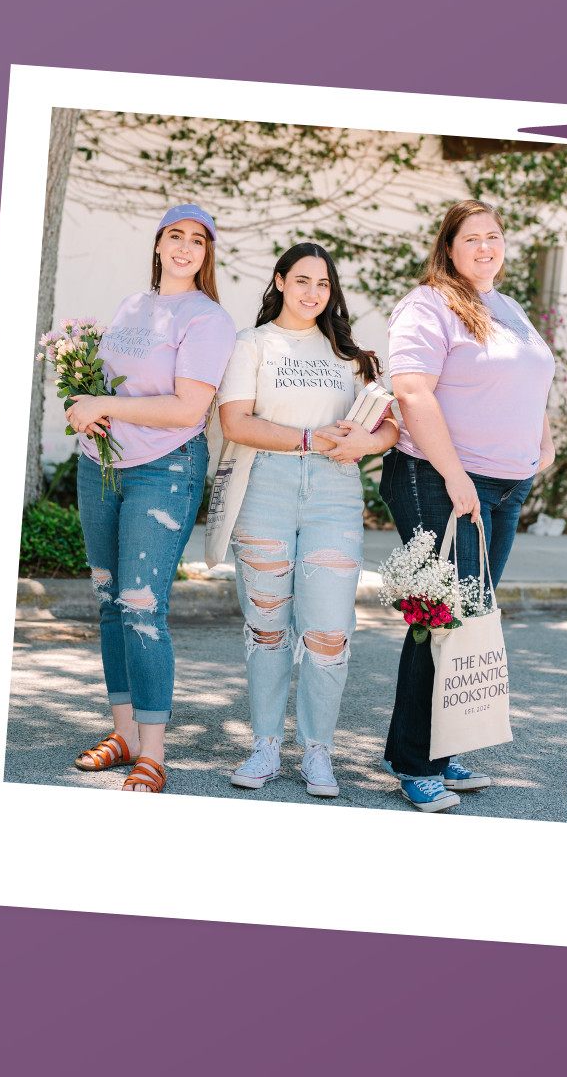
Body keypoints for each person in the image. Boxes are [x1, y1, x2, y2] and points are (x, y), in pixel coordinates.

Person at [379, 199, 556, 813]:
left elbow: (528, 380)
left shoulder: (506, 307)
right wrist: (455, 477)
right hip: (441, 480)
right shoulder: (428, 305)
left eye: (495, 237)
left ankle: (440, 743)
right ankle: (414, 763)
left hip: (505, 485)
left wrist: (543, 444)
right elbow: (411, 392)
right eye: (472, 238)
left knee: (468, 617)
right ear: (448, 248)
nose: (486, 247)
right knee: (441, 619)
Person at [213, 243, 397, 798]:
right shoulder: (252, 345)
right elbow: (236, 423)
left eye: (323, 283)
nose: (313, 292)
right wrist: (311, 438)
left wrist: (368, 443)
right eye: (302, 280)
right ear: (279, 281)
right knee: (267, 626)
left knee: (327, 629)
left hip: (335, 494)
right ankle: (265, 745)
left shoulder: (352, 356)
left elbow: (390, 430)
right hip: (265, 485)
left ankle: (318, 753)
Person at [64, 204, 237, 793]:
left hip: (164, 470)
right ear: (159, 245)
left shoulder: (207, 318)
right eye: (175, 236)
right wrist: (85, 405)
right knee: (110, 600)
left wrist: (105, 407)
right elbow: (113, 383)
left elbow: (189, 408)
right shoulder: (133, 306)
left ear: (207, 254)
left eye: (198, 240)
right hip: (102, 465)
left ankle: (154, 751)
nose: (186, 247)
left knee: (142, 606)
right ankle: (124, 734)